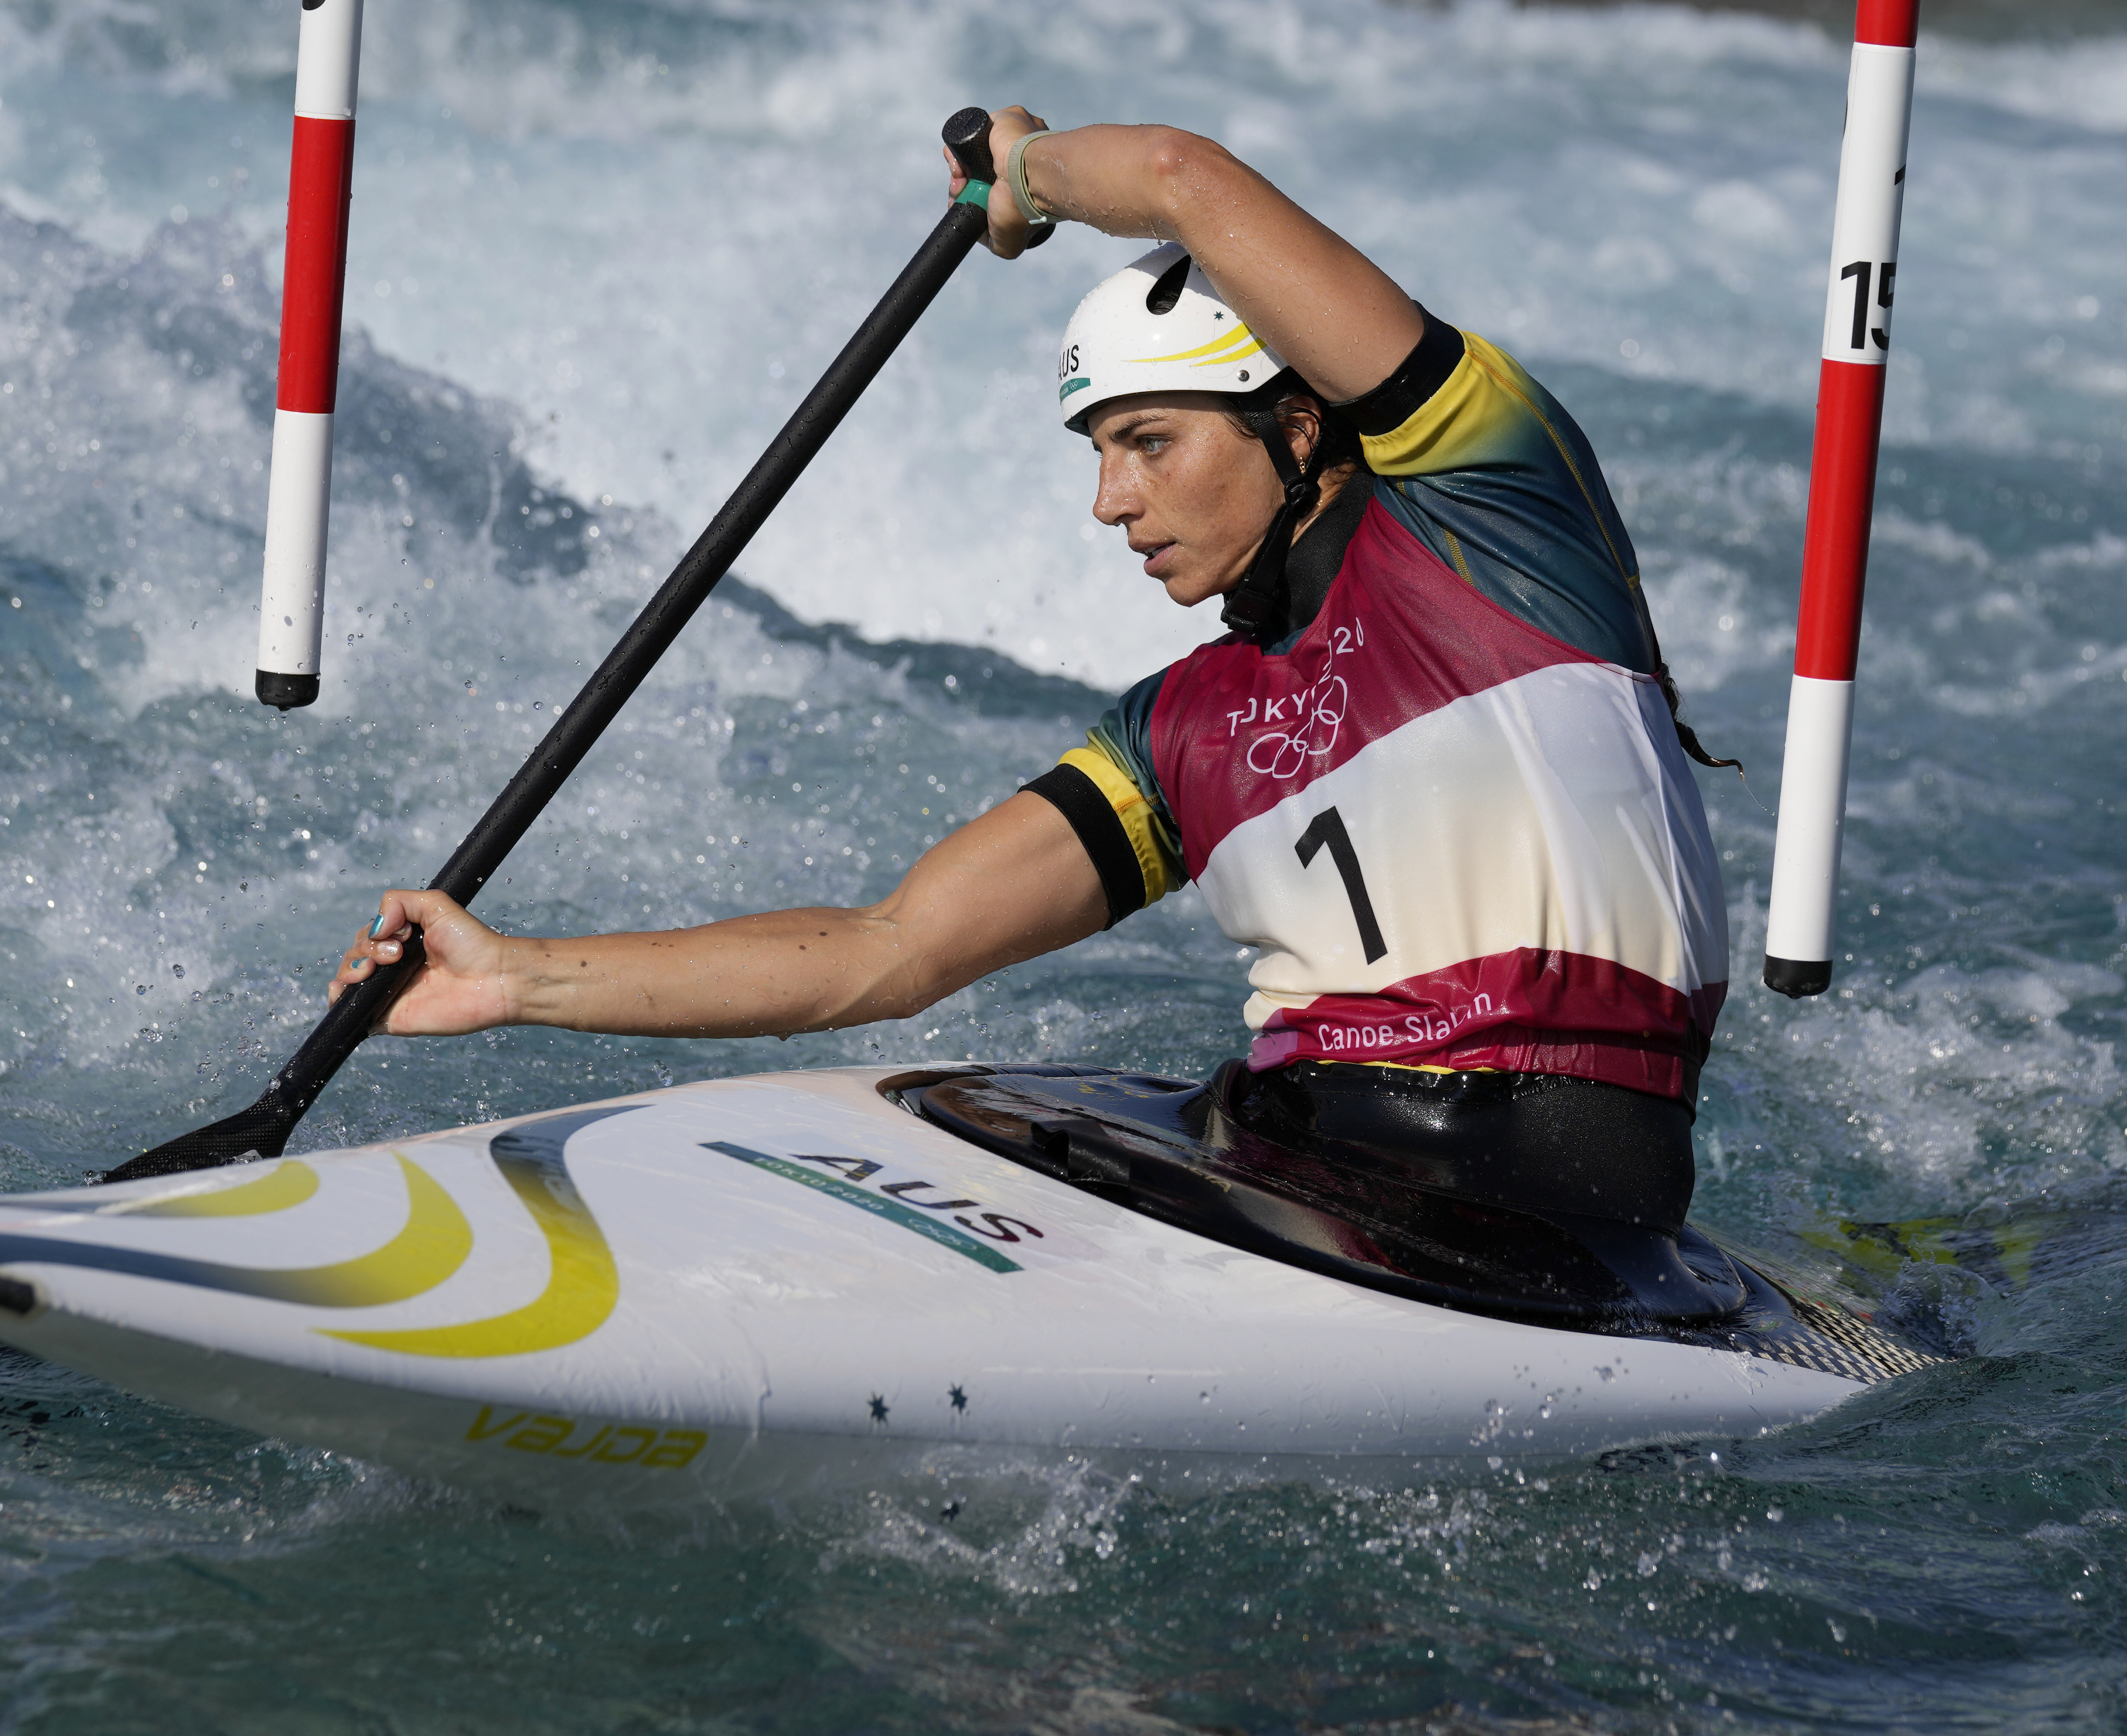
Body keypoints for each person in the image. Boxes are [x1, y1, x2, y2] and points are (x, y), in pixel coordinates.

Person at [329, 109, 1729, 1231]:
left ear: (1300, 427)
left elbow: (1182, 178)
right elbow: (895, 948)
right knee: (931, 1103)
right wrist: (518, 979)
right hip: (1306, 1168)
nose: (1111, 504)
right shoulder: (1186, 726)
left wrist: (1027, 177)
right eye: (1099, 453)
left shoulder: (1493, 515)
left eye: (1152, 442)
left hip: (1540, 1184)